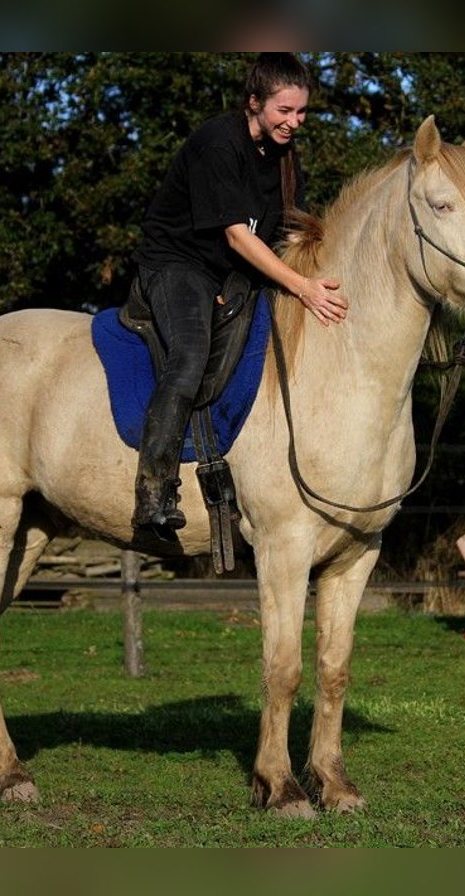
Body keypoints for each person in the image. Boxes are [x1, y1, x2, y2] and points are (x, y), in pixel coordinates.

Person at [129, 52, 348, 535]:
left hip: (230, 273)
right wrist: (302, 287)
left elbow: (292, 231)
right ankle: (153, 491)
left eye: (302, 112)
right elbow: (236, 235)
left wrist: (328, 272)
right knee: (188, 355)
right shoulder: (218, 143)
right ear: (254, 103)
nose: (295, 122)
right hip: (177, 264)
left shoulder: (285, 157)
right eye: (284, 111)